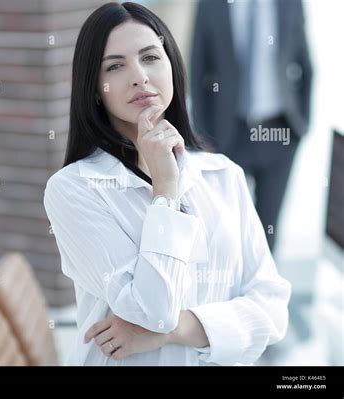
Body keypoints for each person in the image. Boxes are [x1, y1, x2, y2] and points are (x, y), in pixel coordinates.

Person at [43, 2, 291, 366]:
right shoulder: (74, 190)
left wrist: (175, 330)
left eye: (150, 58)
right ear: (95, 88)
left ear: (172, 65)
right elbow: (152, 308)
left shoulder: (222, 175)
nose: (140, 76)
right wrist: (165, 187)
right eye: (115, 66)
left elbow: (271, 313)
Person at [190, 0, 313, 253]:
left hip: (280, 131)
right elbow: (198, 69)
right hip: (228, 134)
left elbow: (305, 64)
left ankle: (264, 292)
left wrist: (303, 123)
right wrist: (203, 139)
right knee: (224, 232)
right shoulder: (210, 4)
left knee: (268, 232)